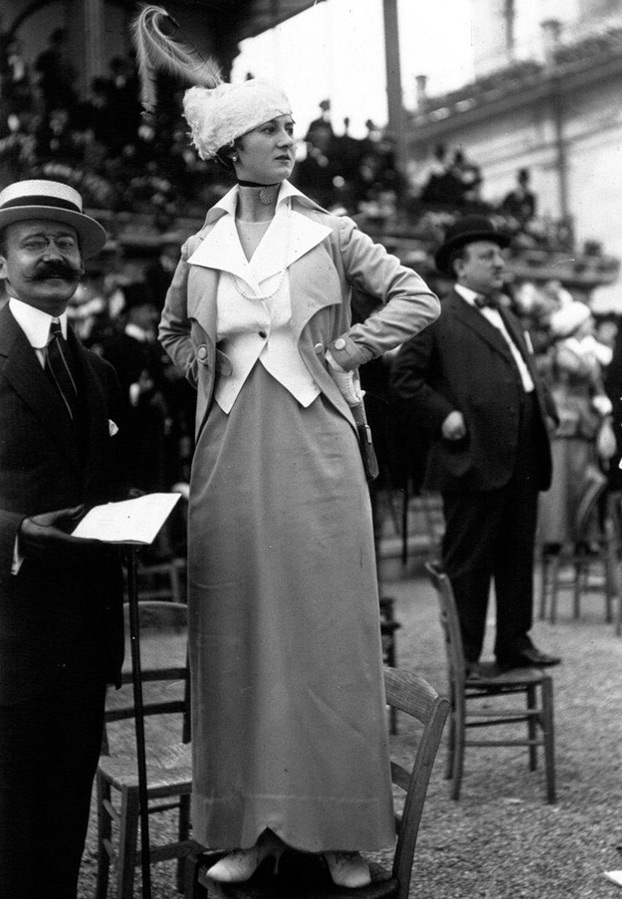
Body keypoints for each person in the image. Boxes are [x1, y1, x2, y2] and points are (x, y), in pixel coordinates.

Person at [133, 5, 441, 888]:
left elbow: (415, 297)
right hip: (228, 448)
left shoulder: (332, 231)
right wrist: (202, 361)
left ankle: (341, 832)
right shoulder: (200, 247)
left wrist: (348, 349)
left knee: (329, 632)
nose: (288, 142)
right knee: (236, 629)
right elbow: (168, 335)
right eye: (272, 129)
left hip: (319, 447)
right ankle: (247, 825)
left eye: (291, 128)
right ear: (232, 146)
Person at [0, 179, 126, 899]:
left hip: (82, 642)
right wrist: (18, 532)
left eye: (65, 242)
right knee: (10, 838)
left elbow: (103, 486)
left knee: (61, 836)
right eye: (35, 242)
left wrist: (137, 511)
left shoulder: (98, 370)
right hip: (10, 640)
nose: (54, 256)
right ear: (2, 262)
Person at [390, 214, 561, 675]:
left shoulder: (505, 311)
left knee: (516, 555)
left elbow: (524, 372)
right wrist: (443, 413)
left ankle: (514, 643)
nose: (500, 263)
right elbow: (403, 379)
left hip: (522, 453)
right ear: (461, 267)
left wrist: (544, 407)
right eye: (488, 256)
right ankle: (464, 657)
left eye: (500, 254)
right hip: (471, 458)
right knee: (468, 564)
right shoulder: (437, 313)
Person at [539, 301, 616, 549]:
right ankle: (558, 536)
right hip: (567, 419)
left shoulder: (585, 349)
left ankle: (584, 534)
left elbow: (595, 385)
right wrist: (593, 355)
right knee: (563, 481)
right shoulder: (564, 351)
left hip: (585, 421)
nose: (592, 324)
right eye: (588, 321)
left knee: (584, 479)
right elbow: (580, 369)